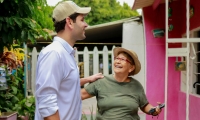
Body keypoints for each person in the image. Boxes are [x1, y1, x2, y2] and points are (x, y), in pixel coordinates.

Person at [34, 1, 104, 120]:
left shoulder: (65, 53)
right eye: (82, 20)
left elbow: (64, 83)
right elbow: (47, 103)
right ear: (69, 22)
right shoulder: (54, 53)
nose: (86, 24)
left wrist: (87, 79)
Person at [81, 47, 163, 120]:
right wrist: (85, 79)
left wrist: (154, 110)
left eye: (123, 59)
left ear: (131, 68)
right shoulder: (101, 81)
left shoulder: (136, 86)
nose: (118, 61)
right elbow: (77, 95)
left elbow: (144, 105)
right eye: (117, 58)